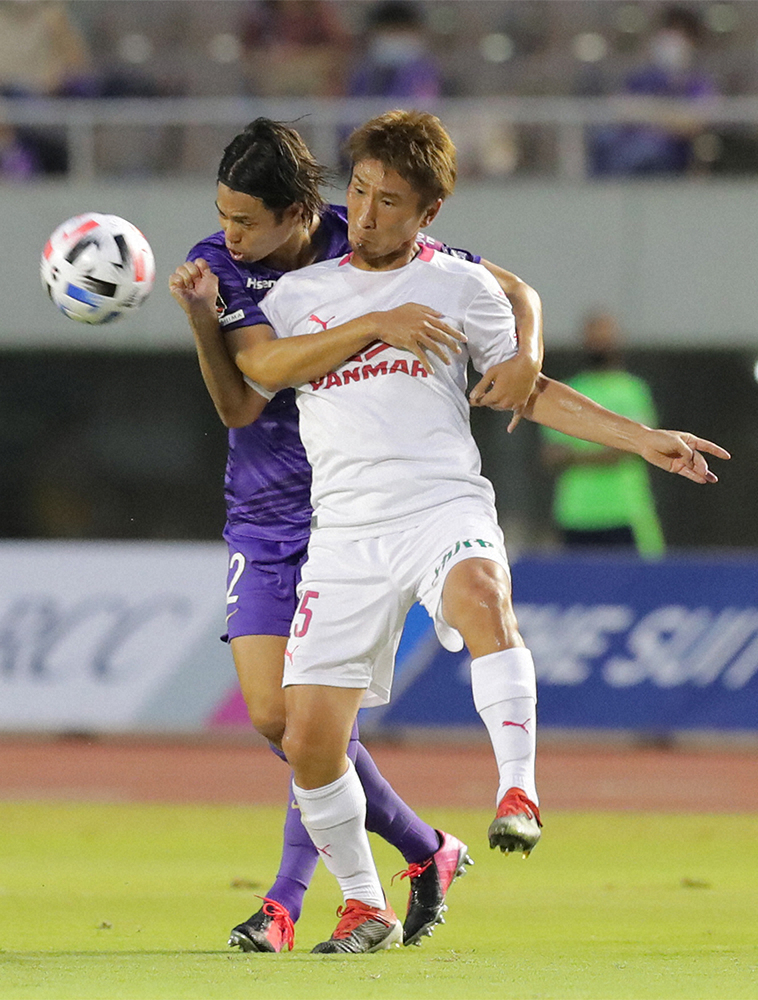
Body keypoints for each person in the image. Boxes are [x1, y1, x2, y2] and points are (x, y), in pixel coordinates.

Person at [235, 109, 729, 953]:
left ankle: (519, 791)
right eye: (360, 192)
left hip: (441, 505)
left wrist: (641, 438)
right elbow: (252, 376)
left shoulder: (459, 285)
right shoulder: (297, 296)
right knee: (309, 741)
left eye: (390, 201)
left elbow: (525, 388)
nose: (366, 213)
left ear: (428, 212)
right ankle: (365, 904)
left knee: (482, 594)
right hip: (344, 533)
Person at [168, 117, 544, 953]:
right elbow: (240, 404)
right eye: (222, 214)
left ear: (300, 211)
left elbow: (513, 293)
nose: (227, 235)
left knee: (317, 718)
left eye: (245, 220)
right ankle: (426, 848)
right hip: (266, 510)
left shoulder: (368, 234)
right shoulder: (221, 268)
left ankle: (295, 900)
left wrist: (527, 355)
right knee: (275, 717)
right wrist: (200, 320)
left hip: (357, 505)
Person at [541, 311, 665, 557]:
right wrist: (611, 448)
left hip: (625, 512)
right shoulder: (569, 391)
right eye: (593, 336)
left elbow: (639, 448)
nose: (599, 343)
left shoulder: (632, 390)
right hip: (576, 514)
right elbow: (552, 455)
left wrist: (577, 456)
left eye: (605, 336)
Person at [588, 5, 717, 177]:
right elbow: (618, 106)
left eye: (680, 34)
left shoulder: (698, 82)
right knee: (603, 139)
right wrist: (666, 115)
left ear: (692, 41)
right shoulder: (643, 77)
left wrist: (646, 112)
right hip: (627, 144)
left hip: (667, 154)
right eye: (669, 30)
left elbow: (694, 124)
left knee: (643, 152)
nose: (672, 39)